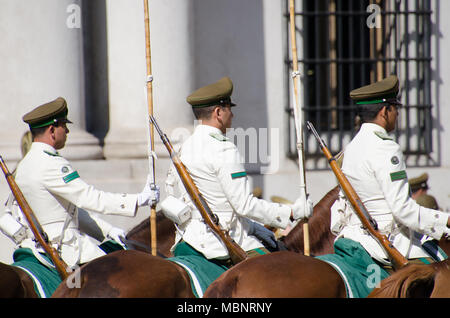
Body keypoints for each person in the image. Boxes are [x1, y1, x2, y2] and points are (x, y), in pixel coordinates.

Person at [165, 77, 313, 264]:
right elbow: (244, 205)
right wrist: (291, 212)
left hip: (189, 238)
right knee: (287, 272)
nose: (233, 115)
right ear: (219, 112)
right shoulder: (223, 148)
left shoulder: (185, 146)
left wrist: (253, 227)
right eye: (229, 109)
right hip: (220, 242)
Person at [1, 97, 160, 269]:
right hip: (64, 250)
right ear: (52, 130)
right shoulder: (51, 164)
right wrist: (138, 199)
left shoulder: (25, 164)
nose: (67, 131)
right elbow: (89, 198)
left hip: (35, 248)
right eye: (64, 125)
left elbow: (71, 210)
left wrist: (107, 230)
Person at [330, 75, 449, 268]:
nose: (398, 115)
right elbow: (404, 211)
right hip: (387, 243)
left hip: (354, 237)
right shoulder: (385, 148)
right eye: (396, 108)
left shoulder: (351, 147)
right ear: (385, 111)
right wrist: (446, 220)